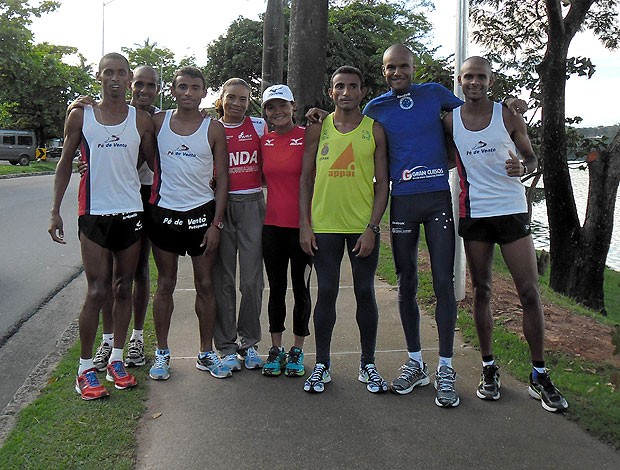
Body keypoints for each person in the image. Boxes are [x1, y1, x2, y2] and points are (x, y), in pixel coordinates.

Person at [442, 56, 568, 412]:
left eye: (481, 77)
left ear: (490, 81)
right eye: (468, 77)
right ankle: (488, 368)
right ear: (460, 81)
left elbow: (531, 158)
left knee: (529, 292)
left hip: (510, 212)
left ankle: (539, 374)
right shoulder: (450, 121)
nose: (475, 82)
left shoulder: (509, 114)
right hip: (474, 214)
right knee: (481, 291)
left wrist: (523, 168)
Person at [48, 52, 157, 400]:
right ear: (98, 76)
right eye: (107, 72)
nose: (114, 78)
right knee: (97, 291)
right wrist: (54, 211)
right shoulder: (81, 115)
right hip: (93, 213)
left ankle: (117, 360)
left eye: (121, 73)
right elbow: (65, 163)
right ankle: (84, 369)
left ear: (129, 79)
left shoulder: (141, 120)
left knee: (124, 287)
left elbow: (153, 161)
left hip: (130, 212)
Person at [299, 66, 389, 394]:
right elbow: (305, 179)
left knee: (365, 292)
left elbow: (383, 185)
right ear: (331, 91)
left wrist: (372, 227)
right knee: (327, 293)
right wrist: (305, 225)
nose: (346, 92)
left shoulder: (374, 130)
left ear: (363, 91)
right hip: (324, 226)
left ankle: (368, 364)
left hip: (361, 227)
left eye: (353, 86)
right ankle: (322, 363)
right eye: (340, 87)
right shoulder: (317, 128)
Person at [145, 66, 230, 380]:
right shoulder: (158, 122)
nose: (189, 93)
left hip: (201, 216)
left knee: (205, 285)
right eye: (183, 87)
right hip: (164, 214)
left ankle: (206, 353)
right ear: (173, 90)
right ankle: (163, 354)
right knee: (165, 284)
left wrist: (216, 224)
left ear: (204, 92)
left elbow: (223, 181)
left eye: (195, 88)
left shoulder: (213, 128)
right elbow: (127, 137)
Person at [91, 65, 161, 371]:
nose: (144, 90)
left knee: (139, 271)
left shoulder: (159, 119)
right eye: (140, 84)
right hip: (111, 198)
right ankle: (107, 341)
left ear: (158, 89)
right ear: (131, 84)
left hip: (148, 194)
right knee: (105, 277)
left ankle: (136, 337)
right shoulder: (107, 112)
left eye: (151, 85)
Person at [212, 78, 267, 371]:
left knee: (251, 281)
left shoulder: (259, 126)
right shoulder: (211, 127)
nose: (237, 104)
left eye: (243, 99)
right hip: (221, 205)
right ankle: (226, 345)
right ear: (221, 98)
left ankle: (250, 342)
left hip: (252, 205)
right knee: (223, 280)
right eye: (231, 97)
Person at [259, 84, 312, 377]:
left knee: (301, 288)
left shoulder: (307, 136)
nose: (277, 112)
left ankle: (298, 349)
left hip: (302, 228)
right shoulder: (264, 142)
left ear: (293, 106)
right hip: (272, 227)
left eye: (282, 105)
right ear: (265, 111)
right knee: (276, 289)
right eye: (270, 107)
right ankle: (276, 347)